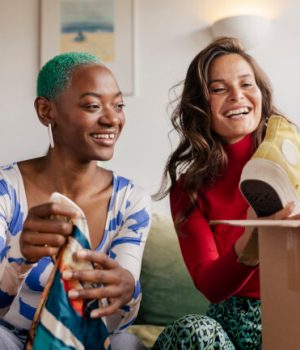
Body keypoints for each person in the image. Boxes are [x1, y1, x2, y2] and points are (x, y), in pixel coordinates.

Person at [153, 37, 299, 349]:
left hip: (293, 315)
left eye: (247, 84)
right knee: (192, 330)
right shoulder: (188, 191)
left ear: (261, 93)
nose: (237, 96)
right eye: (218, 89)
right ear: (200, 103)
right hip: (229, 330)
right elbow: (210, 285)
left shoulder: (293, 163)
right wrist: (251, 244)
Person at [0, 52, 151, 349]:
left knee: (127, 344)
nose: (112, 118)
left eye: (118, 105)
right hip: (11, 340)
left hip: (92, 341)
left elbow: (117, 320)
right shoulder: (5, 190)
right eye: (93, 106)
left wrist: (127, 290)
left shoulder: (131, 201)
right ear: (46, 111)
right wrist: (19, 255)